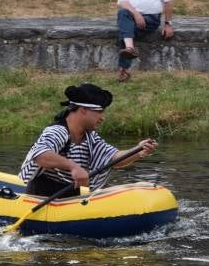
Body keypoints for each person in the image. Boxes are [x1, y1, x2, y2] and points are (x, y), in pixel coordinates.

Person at [18, 83, 158, 197]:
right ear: (83, 110)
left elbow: (113, 159)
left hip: (71, 199)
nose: (103, 117)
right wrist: (73, 167)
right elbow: (40, 155)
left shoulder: (90, 136)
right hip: (43, 198)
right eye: (99, 112)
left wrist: (139, 150)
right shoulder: (58, 131)